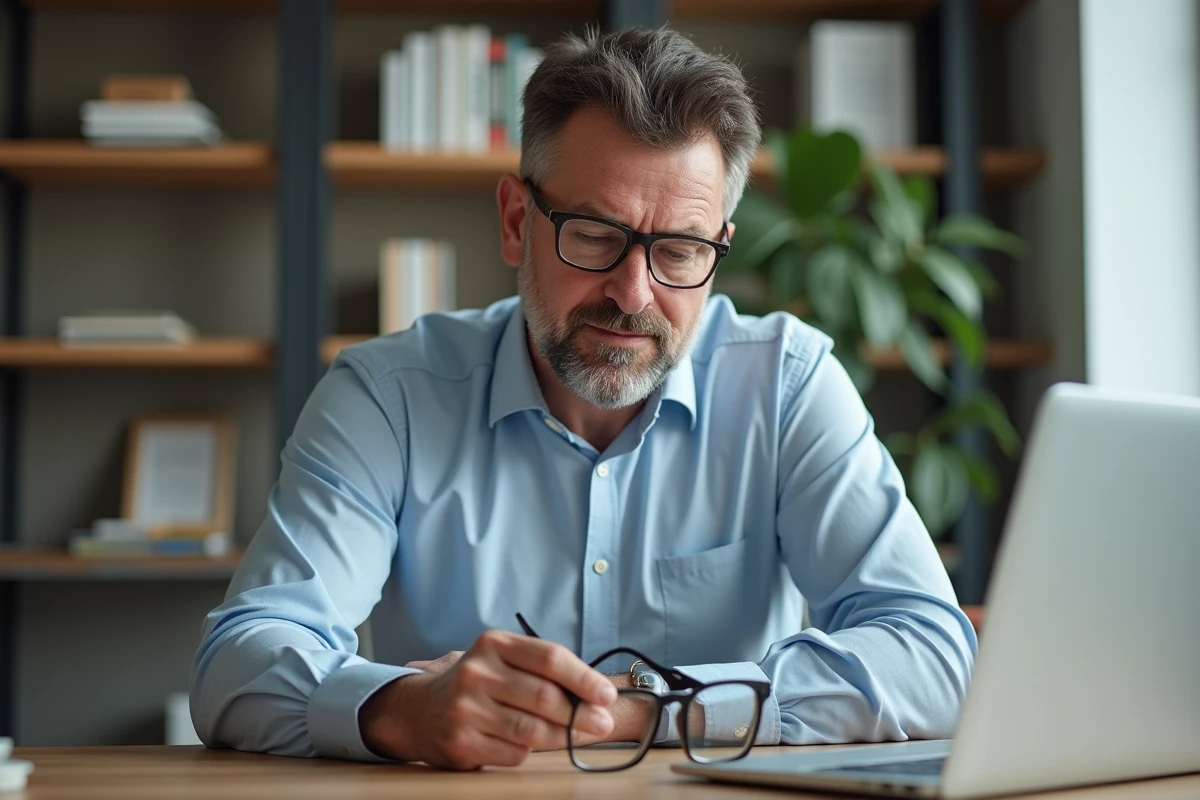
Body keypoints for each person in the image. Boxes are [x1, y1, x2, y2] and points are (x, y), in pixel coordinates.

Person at [190, 26, 976, 771]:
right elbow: (238, 660)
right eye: (596, 237)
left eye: (680, 249)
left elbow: (934, 658)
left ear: (720, 251)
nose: (634, 293)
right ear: (514, 221)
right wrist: (401, 709)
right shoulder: (388, 396)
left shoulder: (789, 385)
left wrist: (639, 708)